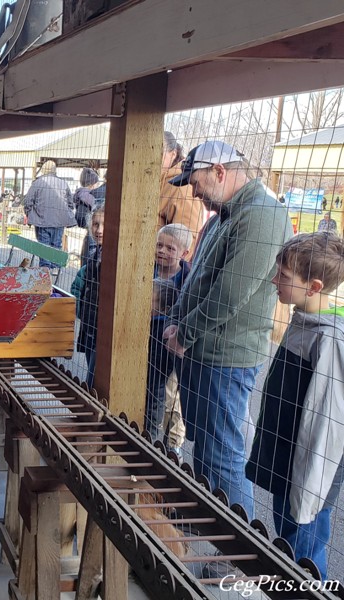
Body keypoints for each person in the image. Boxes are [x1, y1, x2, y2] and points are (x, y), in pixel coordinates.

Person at [162, 140, 292, 520]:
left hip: (224, 359)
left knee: (223, 457)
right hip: (206, 354)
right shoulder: (229, 213)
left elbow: (229, 294)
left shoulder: (261, 214)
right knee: (208, 449)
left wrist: (184, 333)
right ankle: (208, 532)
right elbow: (202, 279)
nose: (194, 192)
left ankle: (232, 559)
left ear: (220, 171)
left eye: (198, 183)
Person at [246, 232, 344, 580]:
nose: (275, 280)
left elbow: (325, 426)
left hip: (306, 478)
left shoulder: (327, 339)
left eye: (284, 277)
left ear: (314, 286)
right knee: (291, 541)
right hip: (288, 468)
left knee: (301, 552)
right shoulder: (303, 321)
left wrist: (307, 492)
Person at [147, 224, 193, 451]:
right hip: (148, 339)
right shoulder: (147, 270)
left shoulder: (187, 280)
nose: (162, 251)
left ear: (184, 253)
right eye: (159, 245)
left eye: (170, 248)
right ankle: (151, 434)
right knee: (152, 392)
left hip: (171, 344)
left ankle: (173, 444)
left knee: (171, 397)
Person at [23, 160, 77, 268]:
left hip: (41, 220)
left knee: (44, 247)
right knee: (56, 245)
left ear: (43, 170)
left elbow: (28, 201)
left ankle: (45, 270)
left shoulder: (38, 183)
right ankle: (55, 269)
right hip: (59, 222)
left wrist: (30, 213)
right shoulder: (63, 183)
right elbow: (70, 203)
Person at [159, 131, 205, 256]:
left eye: (159, 153)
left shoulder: (180, 187)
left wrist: (174, 274)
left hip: (165, 269)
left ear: (173, 154)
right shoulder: (157, 182)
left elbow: (188, 238)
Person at [75, 204, 104, 387]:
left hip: (101, 329)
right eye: (95, 224)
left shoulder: (108, 257)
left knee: (93, 382)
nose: (99, 230)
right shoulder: (95, 254)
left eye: (104, 225)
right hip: (90, 324)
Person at [147, 278, 180, 442]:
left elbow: (161, 364)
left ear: (164, 309)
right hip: (146, 386)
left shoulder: (160, 332)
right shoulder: (150, 324)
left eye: (150, 300)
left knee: (149, 426)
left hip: (153, 392)